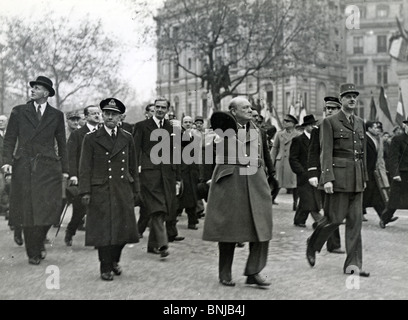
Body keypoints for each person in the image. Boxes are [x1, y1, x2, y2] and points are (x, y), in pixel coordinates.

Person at [202, 97, 275, 287]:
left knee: (262, 226)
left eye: (250, 107)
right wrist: (208, 176)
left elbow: (264, 154)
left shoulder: (257, 130)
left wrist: (271, 174)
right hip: (230, 180)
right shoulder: (221, 129)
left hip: (256, 181)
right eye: (245, 107)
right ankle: (224, 272)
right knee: (228, 228)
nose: (250, 110)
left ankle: (254, 271)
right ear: (233, 111)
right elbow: (207, 150)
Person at [2, 76, 69, 265]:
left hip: (48, 168)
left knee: (51, 207)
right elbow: (9, 140)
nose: (32, 90)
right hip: (24, 166)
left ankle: (39, 240)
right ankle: (33, 251)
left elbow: (62, 144)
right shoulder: (19, 112)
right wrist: (6, 162)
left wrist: (65, 169)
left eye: (37, 88)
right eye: (32, 88)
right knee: (28, 209)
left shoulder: (56, 115)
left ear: (46, 93)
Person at [306, 83, 370, 277]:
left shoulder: (360, 122)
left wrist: (364, 176)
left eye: (354, 96)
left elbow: (363, 152)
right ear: (341, 99)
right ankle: (313, 243)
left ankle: (353, 266)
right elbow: (326, 152)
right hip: (338, 178)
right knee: (334, 220)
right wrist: (327, 178)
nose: (352, 99)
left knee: (355, 223)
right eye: (348, 96)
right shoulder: (330, 122)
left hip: (357, 179)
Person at [78, 98, 139, 281]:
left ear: (120, 117)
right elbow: (84, 167)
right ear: (103, 115)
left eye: (114, 114)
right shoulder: (91, 138)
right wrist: (85, 191)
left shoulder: (127, 137)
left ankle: (114, 260)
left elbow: (132, 166)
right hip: (100, 189)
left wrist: (136, 190)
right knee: (104, 231)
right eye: (107, 114)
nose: (110, 117)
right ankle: (105, 266)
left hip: (122, 188)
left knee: (123, 230)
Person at [133, 97, 182, 258]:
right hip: (148, 174)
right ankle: (162, 244)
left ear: (168, 110)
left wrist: (177, 178)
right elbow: (134, 150)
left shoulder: (171, 128)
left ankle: (152, 245)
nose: (160, 110)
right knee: (158, 208)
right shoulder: (142, 126)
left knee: (161, 207)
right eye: (157, 107)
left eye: (163, 108)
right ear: (153, 108)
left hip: (167, 175)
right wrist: (135, 171)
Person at [307, 96, 345, 254]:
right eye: (327, 108)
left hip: (342, 174)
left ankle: (319, 237)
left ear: (339, 110)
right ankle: (333, 244)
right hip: (325, 175)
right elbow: (313, 152)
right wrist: (313, 173)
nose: (329, 110)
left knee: (337, 212)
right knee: (332, 212)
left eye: (333, 108)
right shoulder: (318, 128)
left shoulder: (343, 127)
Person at [64, 105, 101, 246]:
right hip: (81, 176)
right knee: (80, 210)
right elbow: (71, 157)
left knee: (98, 208)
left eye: (98, 113)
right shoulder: (77, 135)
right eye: (93, 114)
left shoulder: (103, 133)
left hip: (98, 177)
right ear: (86, 117)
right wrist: (73, 175)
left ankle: (96, 238)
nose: (97, 116)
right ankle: (70, 231)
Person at [289, 114, 323, 228]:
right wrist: (301, 172)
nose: (314, 127)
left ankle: (299, 219)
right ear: (306, 126)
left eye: (315, 124)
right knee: (309, 198)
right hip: (304, 175)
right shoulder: (298, 140)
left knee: (307, 199)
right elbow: (293, 158)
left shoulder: (318, 139)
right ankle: (319, 220)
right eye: (312, 125)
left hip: (315, 174)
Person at [378, 118, 408, 228]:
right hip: (401, 174)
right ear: (405, 126)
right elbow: (393, 158)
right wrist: (395, 174)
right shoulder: (397, 139)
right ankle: (385, 218)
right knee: (394, 200)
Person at [271, 114, 299, 209]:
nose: (284, 123)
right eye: (284, 121)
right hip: (281, 161)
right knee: (277, 182)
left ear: (293, 124)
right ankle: (271, 199)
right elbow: (274, 149)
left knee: (295, 184)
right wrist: (271, 162)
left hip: (292, 162)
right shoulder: (279, 134)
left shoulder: (298, 134)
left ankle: (295, 203)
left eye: (287, 121)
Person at [176, 116, 200, 230]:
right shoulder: (180, 134)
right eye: (186, 122)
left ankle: (192, 222)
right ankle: (171, 223)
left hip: (192, 171)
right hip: (183, 170)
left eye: (190, 122)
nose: (188, 124)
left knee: (193, 198)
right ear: (182, 123)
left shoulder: (193, 135)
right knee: (181, 196)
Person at [363, 121, 389, 222]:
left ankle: (384, 217)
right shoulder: (365, 139)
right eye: (375, 127)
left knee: (375, 195)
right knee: (366, 195)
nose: (377, 129)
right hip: (366, 171)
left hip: (373, 172)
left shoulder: (377, 139)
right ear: (369, 129)